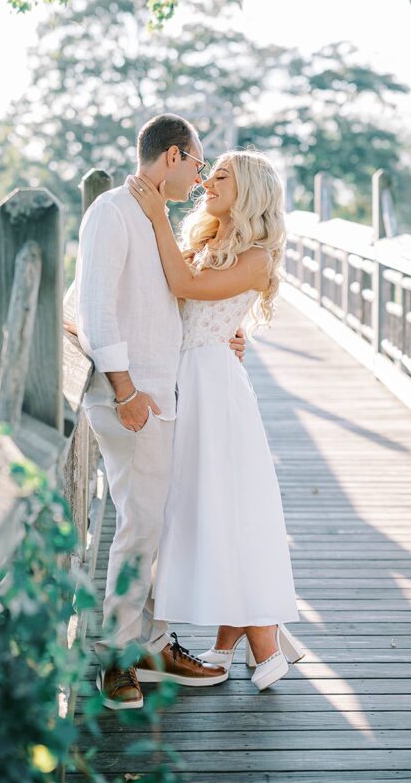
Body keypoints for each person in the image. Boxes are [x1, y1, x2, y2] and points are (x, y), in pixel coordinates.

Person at [66, 114, 247, 710]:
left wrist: (225, 333)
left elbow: (170, 299)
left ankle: (152, 643)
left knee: (160, 526)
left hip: (162, 395)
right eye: (197, 163)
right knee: (141, 526)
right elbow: (94, 309)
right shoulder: (112, 212)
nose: (199, 178)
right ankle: (118, 655)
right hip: (133, 398)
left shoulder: (153, 217)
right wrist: (124, 390)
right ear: (172, 156)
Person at [127, 148, 303, 691]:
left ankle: (261, 637)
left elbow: (186, 288)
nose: (206, 184)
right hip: (189, 377)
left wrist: (157, 213)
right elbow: (171, 299)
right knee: (209, 504)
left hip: (214, 389)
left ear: (248, 190)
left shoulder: (257, 257)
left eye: (220, 176)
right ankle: (233, 643)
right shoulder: (206, 243)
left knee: (225, 504)